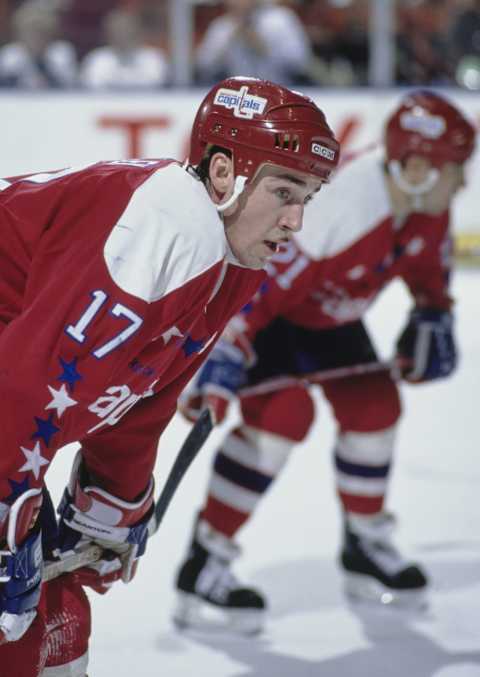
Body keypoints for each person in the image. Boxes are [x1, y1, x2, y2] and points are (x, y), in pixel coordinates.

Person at [0, 76, 339, 675]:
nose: (295, 222)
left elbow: (141, 394)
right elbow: (26, 387)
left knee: (57, 619)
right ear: (224, 172)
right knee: (17, 629)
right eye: (285, 191)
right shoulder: (164, 226)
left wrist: (114, 496)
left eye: (306, 198)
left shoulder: (230, 256)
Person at [174, 90, 476, 634]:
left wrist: (435, 313)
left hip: (327, 315)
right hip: (268, 317)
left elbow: (428, 272)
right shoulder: (341, 208)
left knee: (375, 405)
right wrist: (215, 354)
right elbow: (254, 289)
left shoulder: (427, 202)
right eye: (457, 169)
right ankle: (205, 559)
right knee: (284, 416)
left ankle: (364, 543)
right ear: (416, 168)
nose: (465, 183)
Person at [195, 0, 313, 86]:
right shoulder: (222, 26)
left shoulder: (280, 20)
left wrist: (265, 49)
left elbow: (300, 61)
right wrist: (228, 42)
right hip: (238, 94)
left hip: (280, 88)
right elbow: (204, 65)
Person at [80, 8, 169, 89]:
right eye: (118, 32)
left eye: (127, 31)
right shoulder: (97, 59)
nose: (122, 37)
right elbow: (93, 84)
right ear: (108, 35)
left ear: (137, 32)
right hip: (105, 104)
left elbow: (155, 82)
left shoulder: (154, 58)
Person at [0, 1, 78, 89]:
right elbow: (4, 87)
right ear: (20, 34)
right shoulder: (10, 55)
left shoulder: (61, 52)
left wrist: (44, 67)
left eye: (41, 33)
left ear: (50, 34)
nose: (36, 39)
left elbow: (70, 85)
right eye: (30, 33)